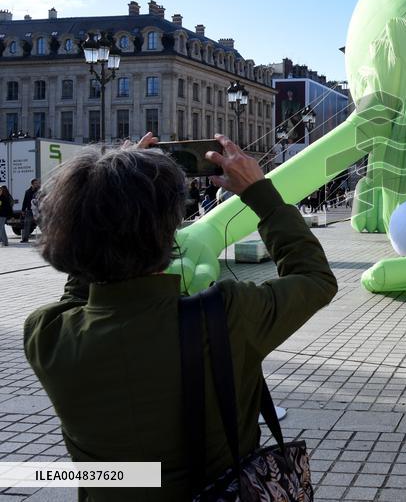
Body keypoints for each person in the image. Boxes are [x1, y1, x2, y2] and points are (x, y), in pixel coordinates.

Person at [24, 133, 339, 500]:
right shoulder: (225, 314)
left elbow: (81, 287)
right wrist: (261, 195)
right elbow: (315, 279)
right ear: (168, 229)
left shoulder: (46, 333)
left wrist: (102, 197)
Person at [20, 178, 40, 242]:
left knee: (41, 223)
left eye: (38, 183)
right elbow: (25, 201)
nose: (37, 184)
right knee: (27, 224)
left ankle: (47, 237)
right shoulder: (27, 192)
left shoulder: (40, 191)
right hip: (29, 211)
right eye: (36, 183)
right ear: (32, 184)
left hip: (38, 210)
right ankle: (25, 239)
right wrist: (23, 210)